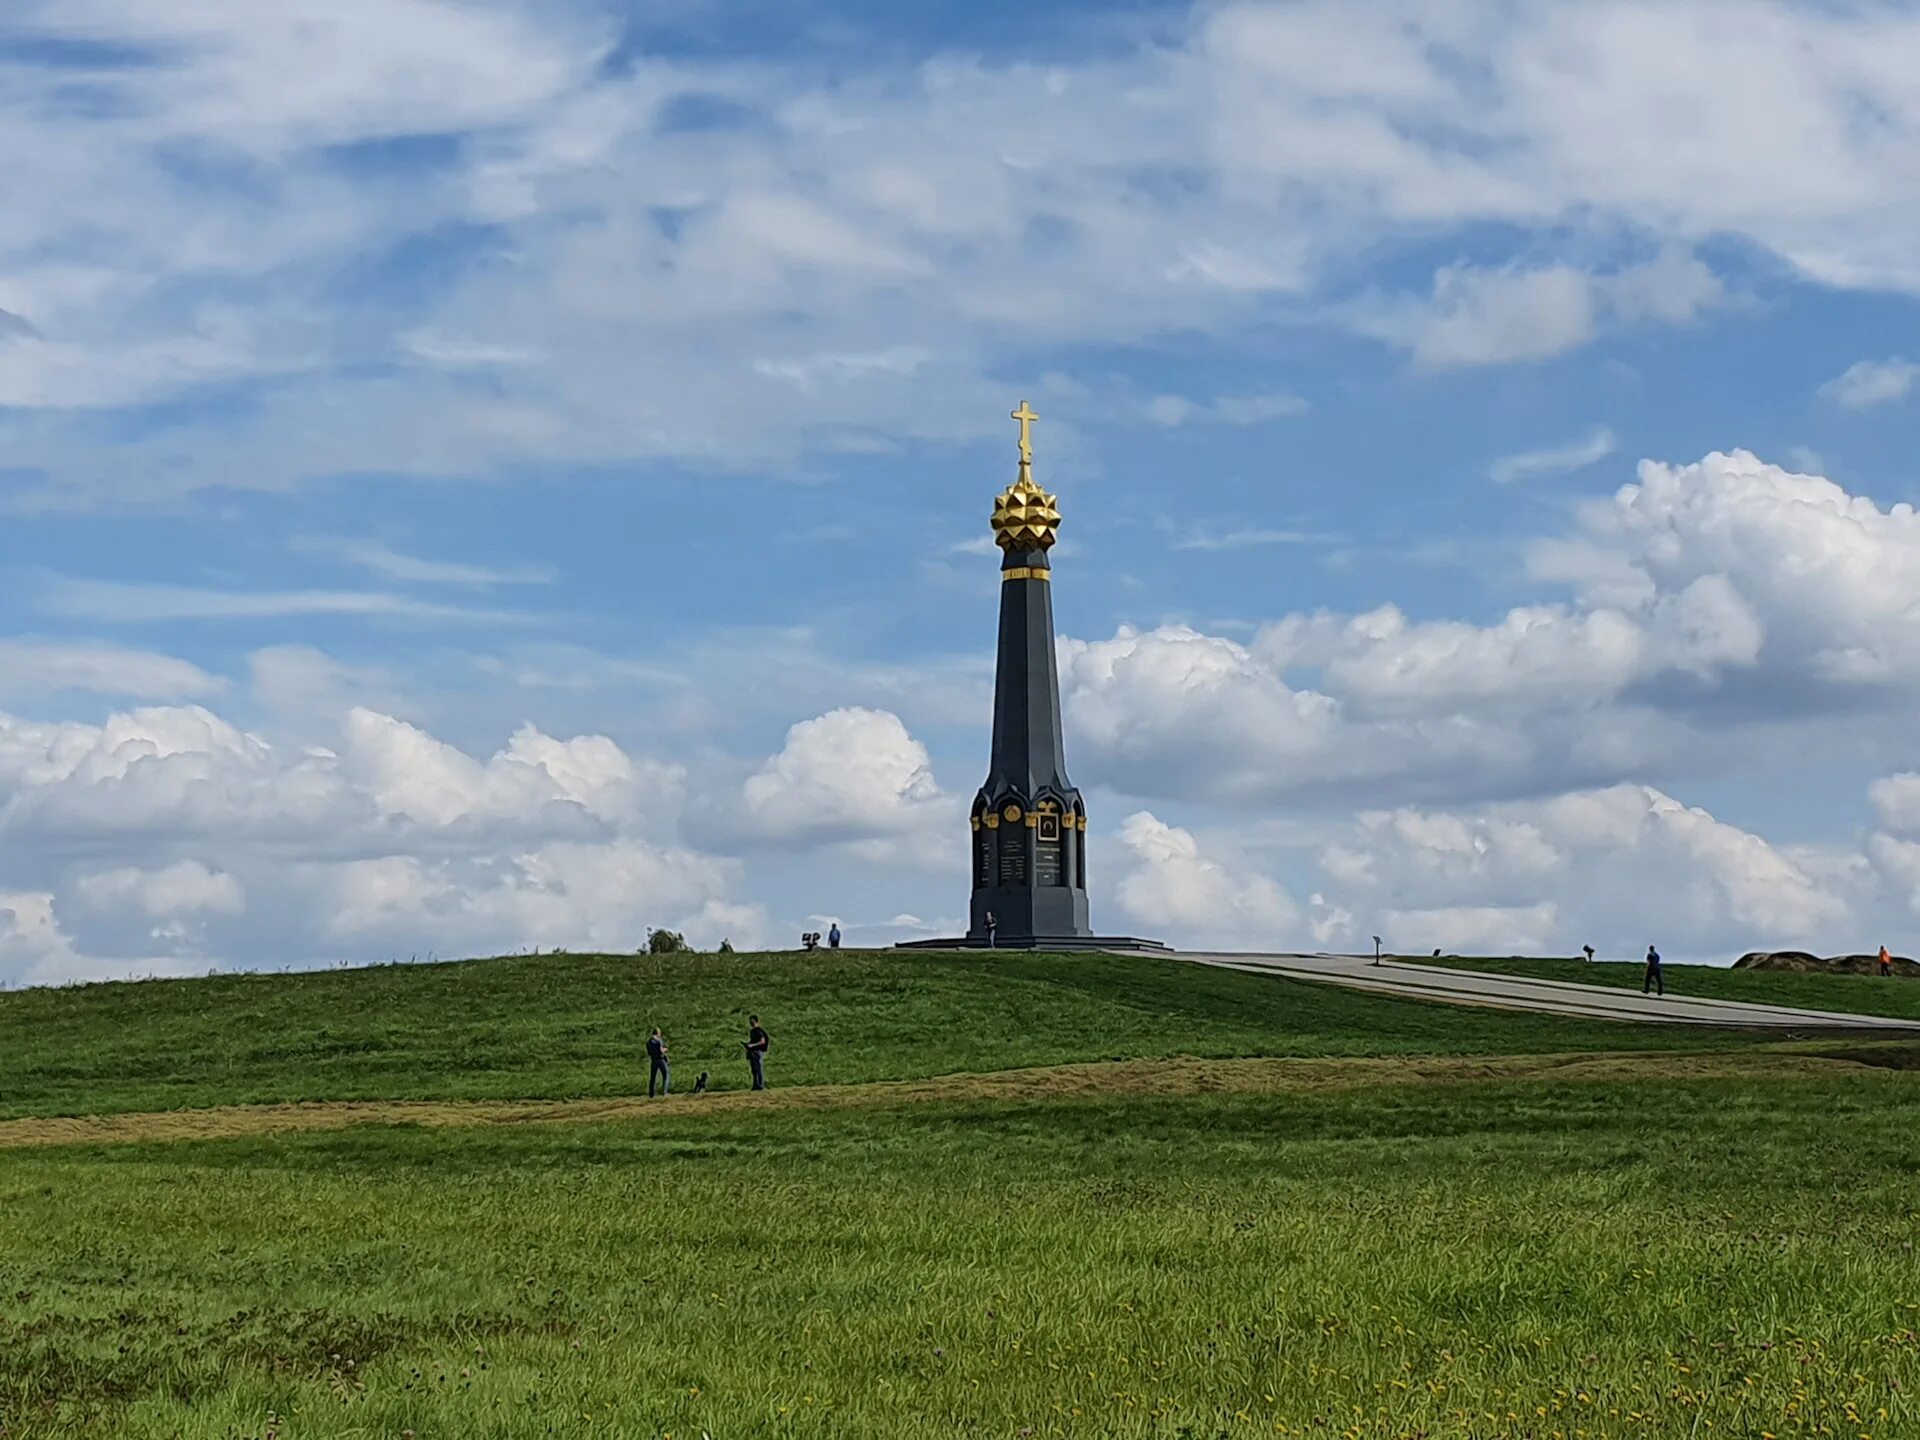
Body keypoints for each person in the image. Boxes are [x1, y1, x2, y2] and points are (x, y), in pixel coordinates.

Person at [744, 1013, 770, 1090]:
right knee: (754, 1069)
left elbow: (762, 1041)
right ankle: (756, 1085)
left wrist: (752, 1045)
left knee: (758, 1068)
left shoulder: (758, 1031)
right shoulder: (753, 1031)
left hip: (757, 1051)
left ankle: (760, 1085)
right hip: (753, 1051)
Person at [646, 1026, 670, 1097]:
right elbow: (661, 1051)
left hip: (653, 1061)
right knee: (665, 1075)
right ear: (657, 1033)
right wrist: (665, 1049)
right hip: (659, 1060)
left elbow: (649, 1053)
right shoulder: (659, 1041)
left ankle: (651, 1094)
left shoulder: (648, 1042)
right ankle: (664, 1092)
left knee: (652, 1077)